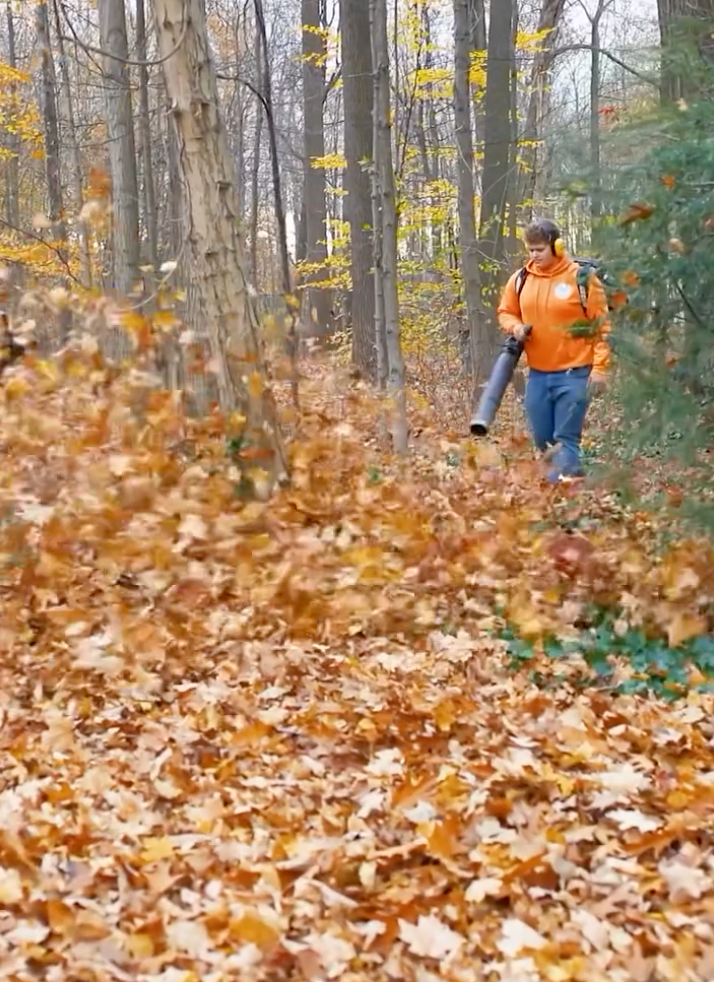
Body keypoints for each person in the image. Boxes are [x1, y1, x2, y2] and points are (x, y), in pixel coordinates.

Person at [497, 218, 610, 481]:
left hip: (575, 374)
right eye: (531, 250)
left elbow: (601, 326)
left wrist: (600, 369)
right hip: (538, 375)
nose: (534, 255)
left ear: (556, 246)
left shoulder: (582, 279)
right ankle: (560, 491)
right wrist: (515, 328)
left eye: (540, 249)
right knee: (543, 441)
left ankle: (567, 500)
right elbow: (505, 312)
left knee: (565, 438)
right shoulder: (520, 280)